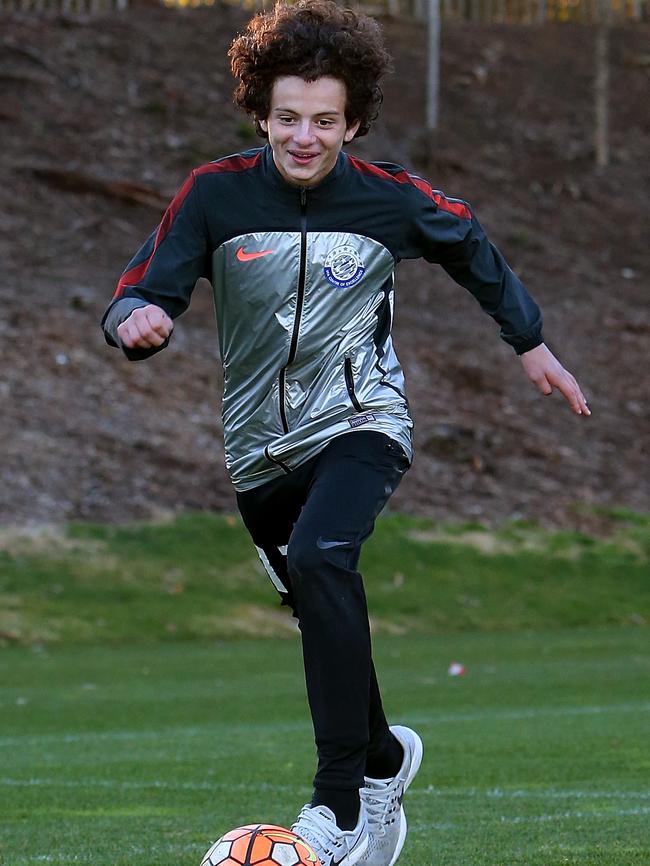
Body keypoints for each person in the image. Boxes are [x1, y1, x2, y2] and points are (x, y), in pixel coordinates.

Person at [101, 2, 590, 865]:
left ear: (353, 121)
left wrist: (531, 341)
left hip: (363, 421)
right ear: (260, 111)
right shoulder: (215, 192)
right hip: (256, 454)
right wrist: (136, 318)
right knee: (318, 606)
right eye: (288, 117)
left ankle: (336, 806)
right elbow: (150, 282)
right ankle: (386, 758)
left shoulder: (386, 199)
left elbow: (469, 243)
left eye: (325, 120)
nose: (303, 136)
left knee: (326, 559)